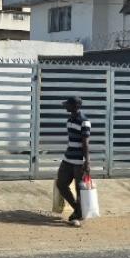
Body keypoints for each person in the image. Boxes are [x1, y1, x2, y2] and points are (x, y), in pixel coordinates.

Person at [57, 95, 91, 227]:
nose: (65, 106)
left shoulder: (84, 121)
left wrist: (87, 162)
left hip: (79, 161)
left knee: (79, 189)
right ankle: (78, 210)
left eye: (67, 104)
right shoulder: (70, 119)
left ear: (74, 106)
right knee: (61, 184)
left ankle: (77, 214)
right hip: (67, 158)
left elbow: (86, 143)